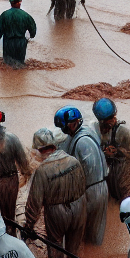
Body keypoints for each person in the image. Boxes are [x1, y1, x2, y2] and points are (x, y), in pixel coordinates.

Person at [24, 129, 86, 258]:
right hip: (79, 206)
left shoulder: (42, 170)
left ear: (40, 150)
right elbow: (83, 187)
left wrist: (29, 226)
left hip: (56, 212)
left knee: (55, 245)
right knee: (74, 249)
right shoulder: (74, 161)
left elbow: (34, 204)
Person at [54, 105, 109, 245]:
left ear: (73, 124)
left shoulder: (81, 142)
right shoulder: (88, 132)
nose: (64, 130)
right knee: (96, 229)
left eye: (65, 127)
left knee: (86, 230)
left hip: (92, 189)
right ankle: (96, 254)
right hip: (101, 185)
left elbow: (84, 170)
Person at [93, 98, 130, 203]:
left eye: (111, 118)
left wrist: (117, 152)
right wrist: (104, 152)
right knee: (110, 194)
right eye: (106, 122)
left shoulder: (123, 131)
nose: (111, 122)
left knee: (126, 196)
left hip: (124, 167)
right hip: (109, 167)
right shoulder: (96, 130)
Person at [0, 0, 37, 67]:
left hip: (8, 44)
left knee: (8, 66)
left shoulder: (4, 15)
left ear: (10, 3)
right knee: (20, 66)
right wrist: (29, 37)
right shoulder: (26, 16)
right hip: (21, 44)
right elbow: (33, 31)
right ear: (20, 2)